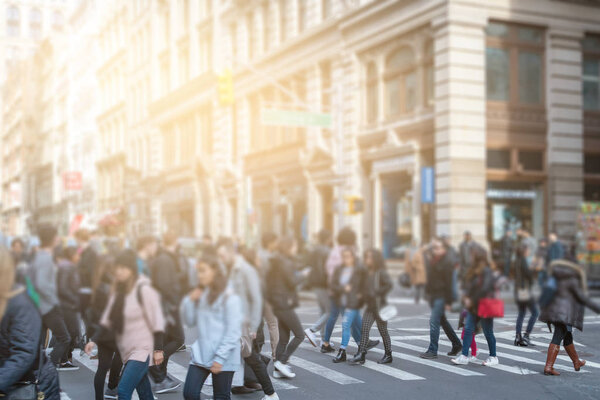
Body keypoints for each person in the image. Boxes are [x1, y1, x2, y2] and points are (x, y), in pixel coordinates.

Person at [85, 249, 165, 400]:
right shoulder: (118, 291)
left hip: (142, 349)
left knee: (123, 390)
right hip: (126, 350)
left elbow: (157, 320)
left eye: (123, 268)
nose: (119, 271)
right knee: (145, 393)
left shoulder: (144, 289)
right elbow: (107, 320)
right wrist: (93, 340)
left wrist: (159, 348)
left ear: (131, 268)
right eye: (117, 268)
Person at [180, 257, 250, 400]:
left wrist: (220, 358)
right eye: (199, 272)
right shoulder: (203, 294)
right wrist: (189, 301)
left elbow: (233, 332)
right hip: (202, 354)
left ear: (215, 272)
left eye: (203, 271)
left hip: (224, 357)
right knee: (190, 394)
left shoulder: (230, 297)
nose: (200, 275)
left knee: (221, 397)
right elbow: (190, 320)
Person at [0, 246, 59, 399]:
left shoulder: (19, 302)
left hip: (32, 385)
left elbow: (24, 351)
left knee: (64, 338)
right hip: (13, 381)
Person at [216, 238, 273, 396]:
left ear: (230, 252)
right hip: (230, 323)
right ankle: (230, 390)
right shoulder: (225, 269)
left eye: (222, 255)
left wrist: (254, 326)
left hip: (243, 324)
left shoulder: (245, 270)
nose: (220, 258)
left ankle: (271, 393)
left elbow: (256, 299)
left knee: (252, 358)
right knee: (232, 358)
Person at [539, 251, 600, 376]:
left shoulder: (556, 276)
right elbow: (582, 298)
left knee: (567, 337)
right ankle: (548, 367)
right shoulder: (572, 279)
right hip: (563, 314)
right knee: (557, 337)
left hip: (555, 311)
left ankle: (576, 362)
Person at [321, 227, 377, 354]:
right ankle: (363, 341)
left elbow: (328, 269)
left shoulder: (334, 251)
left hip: (334, 288)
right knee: (353, 316)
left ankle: (326, 343)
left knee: (335, 315)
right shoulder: (346, 252)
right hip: (344, 291)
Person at [30, 224, 75, 370]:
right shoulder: (45, 258)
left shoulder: (40, 256)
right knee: (64, 338)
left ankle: (40, 374)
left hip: (40, 306)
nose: (58, 239)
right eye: (57, 236)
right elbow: (42, 284)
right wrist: (54, 301)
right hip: (48, 306)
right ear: (52, 239)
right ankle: (48, 368)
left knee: (41, 342)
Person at [266, 236, 310, 379]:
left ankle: (277, 370)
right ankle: (282, 362)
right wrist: (304, 274)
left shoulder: (277, 260)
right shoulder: (284, 262)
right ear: (288, 247)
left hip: (277, 302)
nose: (296, 249)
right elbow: (292, 282)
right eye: (294, 246)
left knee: (284, 338)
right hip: (284, 303)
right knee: (299, 335)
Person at [148, 231, 185, 393]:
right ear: (175, 241)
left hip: (165, 304)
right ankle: (154, 366)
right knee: (178, 339)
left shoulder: (165, 257)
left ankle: (160, 377)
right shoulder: (165, 259)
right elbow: (164, 284)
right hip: (167, 305)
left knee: (167, 339)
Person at [451, 245, 500, 366]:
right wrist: (466, 296)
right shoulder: (473, 269)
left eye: (473, 254)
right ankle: (464, 355)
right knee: (468, 329)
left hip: (484, 304)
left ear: (478, 256)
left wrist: (471, 299)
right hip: (473, 306)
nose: (471, 257)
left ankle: (493, 356)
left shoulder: (486, 270)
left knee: (488, 331)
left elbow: (485, 288)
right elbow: (470, 286)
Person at [420, 238, 463, 359]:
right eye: (434, 248)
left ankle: (433, 350)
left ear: (444, 249)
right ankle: (457, 344)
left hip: (442, 296)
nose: (435, 250)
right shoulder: (434, 260)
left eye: (438, 248)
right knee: (442, 320)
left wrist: (449, 301)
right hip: (434, 295)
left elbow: (450, 283)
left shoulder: (447, 262)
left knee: (434, 321)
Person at [87, 255, 123, 400]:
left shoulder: (97, 284)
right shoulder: (114, 287)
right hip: (114, 332)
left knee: (102, 367)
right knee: (121, 358)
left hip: (101, 333)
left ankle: (99, 397)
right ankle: (113, 385)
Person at [349, 249, 393, 365]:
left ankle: (388, 355)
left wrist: (376, 292)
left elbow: (389, 285)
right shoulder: (367, 272)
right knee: (364, 329)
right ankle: (361, 354)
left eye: (370, 257)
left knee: (383, 331)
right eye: (366, 257)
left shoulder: (380, 272)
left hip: (380, 306)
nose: (367, 260)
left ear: (375, 259)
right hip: (370, 306)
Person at [329, 248, 367, 363]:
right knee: (359, 327)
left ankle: (342, 351)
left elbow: (366, 283)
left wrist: (361, 294)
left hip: (353, 302)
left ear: (353, 257)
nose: (346, 259)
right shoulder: (339, 269)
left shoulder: (359, 269)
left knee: (346, 324)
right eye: (344, 256)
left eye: (348, 256)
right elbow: (333, 285)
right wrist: (343, 288)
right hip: (342, 302)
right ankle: (362, 350)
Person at [304, 228, 333, 347]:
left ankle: (324, 340)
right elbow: (326, 269)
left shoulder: (314, 250)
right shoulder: (327, 251)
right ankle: (312, 330)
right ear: (328, 238)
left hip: (315, 283)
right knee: (330, 311)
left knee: (323, 311)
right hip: (323, 283)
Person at [56, 246, 81, 367]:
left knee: (70, 331)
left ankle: (64, 358)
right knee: (72, 331)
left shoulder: (64, 265)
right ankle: (62, 359)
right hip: (67, 304)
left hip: (64, 304)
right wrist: (75, 299)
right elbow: (63, 287)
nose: (78, 257)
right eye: (76, 254)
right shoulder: (68, 266)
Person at [257, 232, 280, 360]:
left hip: (257, 293)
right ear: (270, 243)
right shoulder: (272, 257)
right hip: (269, 293)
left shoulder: (258, 255)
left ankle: (255, 351)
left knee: (257, 323)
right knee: (273, 323)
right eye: (275, 241)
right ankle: (276, 353)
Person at [513, 244, 539, 347]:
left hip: (518, 290)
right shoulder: (523, 260)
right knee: (535, 312)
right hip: (524, 290)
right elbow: (528, 274)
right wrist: (533, 270)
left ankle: (518, 337)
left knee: (522, 312)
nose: (529, 252)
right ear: (524, 251)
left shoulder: (517, 261)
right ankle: (526, 335)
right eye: (528, 250)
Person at [405, 240, 427, 304]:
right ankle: (417, 299)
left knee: (422, 286)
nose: (426, 248)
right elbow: (413, 263)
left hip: (424, 273)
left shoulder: (425, 253)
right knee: (419, 286)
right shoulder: (417, 254)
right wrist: (420, 268)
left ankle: (422, 298)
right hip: (419, 273)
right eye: (425, 246)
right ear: (421, 247)